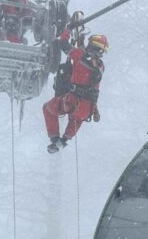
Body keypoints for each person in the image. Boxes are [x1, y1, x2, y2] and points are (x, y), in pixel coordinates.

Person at [42, 13, 107, 153]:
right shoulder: (101, 67)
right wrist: (80, 42)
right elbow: (88, 64)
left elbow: (63, 43)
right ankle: (64, 140)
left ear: (91, 45)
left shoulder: (80, 55)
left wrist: (68, 29)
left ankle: (55, 139)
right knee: (77, 119)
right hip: (88, 108)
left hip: (72, 101)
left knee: (47, 108)